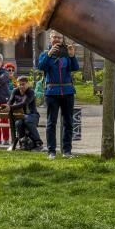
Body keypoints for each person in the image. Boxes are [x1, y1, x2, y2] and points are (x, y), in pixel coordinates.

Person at [38, 30, 79, 159]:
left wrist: (72, 56)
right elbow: (41, 66)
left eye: (59, 38)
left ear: (62, 40)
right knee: (51, 122)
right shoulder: (45, 54)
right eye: (54, 37)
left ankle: (67, 151)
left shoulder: (66, 53)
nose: (56, 39)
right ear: (50, 39)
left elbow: (75, 68)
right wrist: (49, 54)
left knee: (68, 122)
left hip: (67, 92)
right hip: (52, 93)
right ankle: (51, 151)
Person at [5, 76, 42, 151]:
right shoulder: (15, 91)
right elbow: (10, 101)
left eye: (23, 84)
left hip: (32, 115)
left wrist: (10, 107)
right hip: (21, 116)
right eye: (20, 84)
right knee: (18, 123)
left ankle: (38, 144)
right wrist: (7, 105)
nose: (21, 86)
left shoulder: (30, 92)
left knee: (27, 120)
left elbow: (24, 103)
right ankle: (22, 144)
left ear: (27, 84)